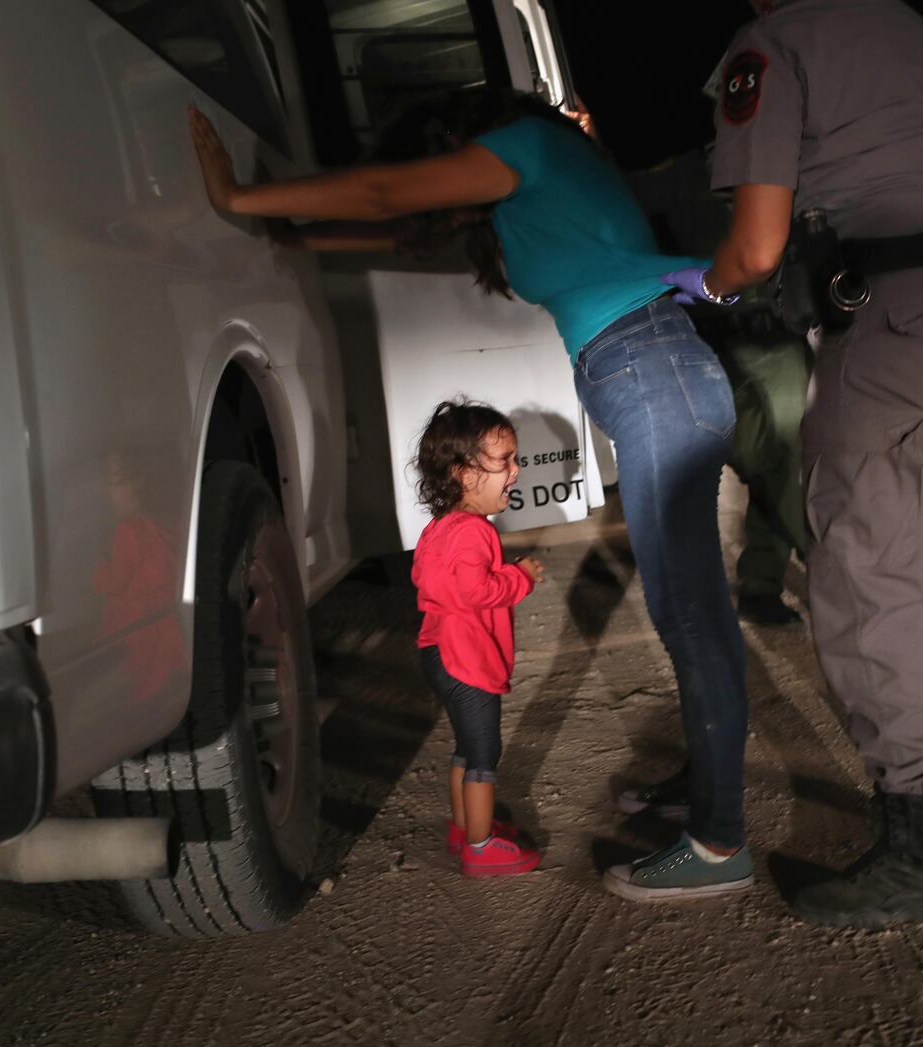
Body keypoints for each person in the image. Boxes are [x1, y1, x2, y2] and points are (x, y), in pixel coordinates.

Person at [189, 88, 755, 900]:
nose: (438, 177)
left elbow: (390, 194)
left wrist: (238, 196)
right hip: (642, 372)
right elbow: (396, 224)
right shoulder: (527, 195)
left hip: (654, 367)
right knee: (687, 609)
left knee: (692, 613)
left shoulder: (529, 144)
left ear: (457, 136)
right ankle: (712, 787)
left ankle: (718, 838)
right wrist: (286, 227)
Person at [663, 0, 923, 928]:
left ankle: (916, 849)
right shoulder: (913, 27)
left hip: (893, 323)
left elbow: (754, 245)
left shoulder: (772, 45)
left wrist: (689, 285)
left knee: (865, 578)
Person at [628, 148, 811, 627]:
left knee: (787, 460)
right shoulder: (669, 178)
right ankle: (837, 567)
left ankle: (764, 583)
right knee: (763, 460)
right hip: (706, 338)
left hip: (779, 335)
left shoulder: (781, 166)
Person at [410, 400, 544, 877]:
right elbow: (476, 591)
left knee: (465, 748)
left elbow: (428, 582)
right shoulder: (474, 532)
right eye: (504, 460)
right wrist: (520, 577)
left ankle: (464, 827)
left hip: (438, 654)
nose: (515, 469)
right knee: (484, 757)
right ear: (466, 475)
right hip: (468, 661)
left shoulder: (438, 529)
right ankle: (481, 846)